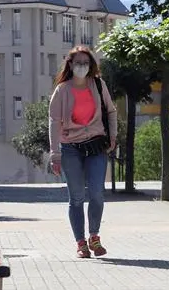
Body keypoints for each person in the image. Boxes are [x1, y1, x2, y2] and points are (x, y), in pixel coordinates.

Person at [48, 46, 117, 258]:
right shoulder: (62, 90)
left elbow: (111, 111)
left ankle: (94, 237)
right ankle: (80, 243)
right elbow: (54, 121)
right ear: (70, 65)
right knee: (76, 197)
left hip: (96, 145)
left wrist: (112, 136)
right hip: (71, 148)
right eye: (77, 63)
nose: (82, 67)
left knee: (97, 193)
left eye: (85, 63)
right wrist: (55, 154)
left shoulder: (97, 84)